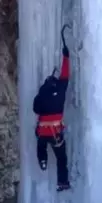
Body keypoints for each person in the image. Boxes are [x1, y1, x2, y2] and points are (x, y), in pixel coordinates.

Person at [33, 25, 71, 192]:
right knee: (61, 158)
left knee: (41, 145)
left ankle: (43, 160)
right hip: (56, 134)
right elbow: (65, 74)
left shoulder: (43, 92)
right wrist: (66, 56)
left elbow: (36, 108)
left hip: (43, 133)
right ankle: (62, 183)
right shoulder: (61, 89)